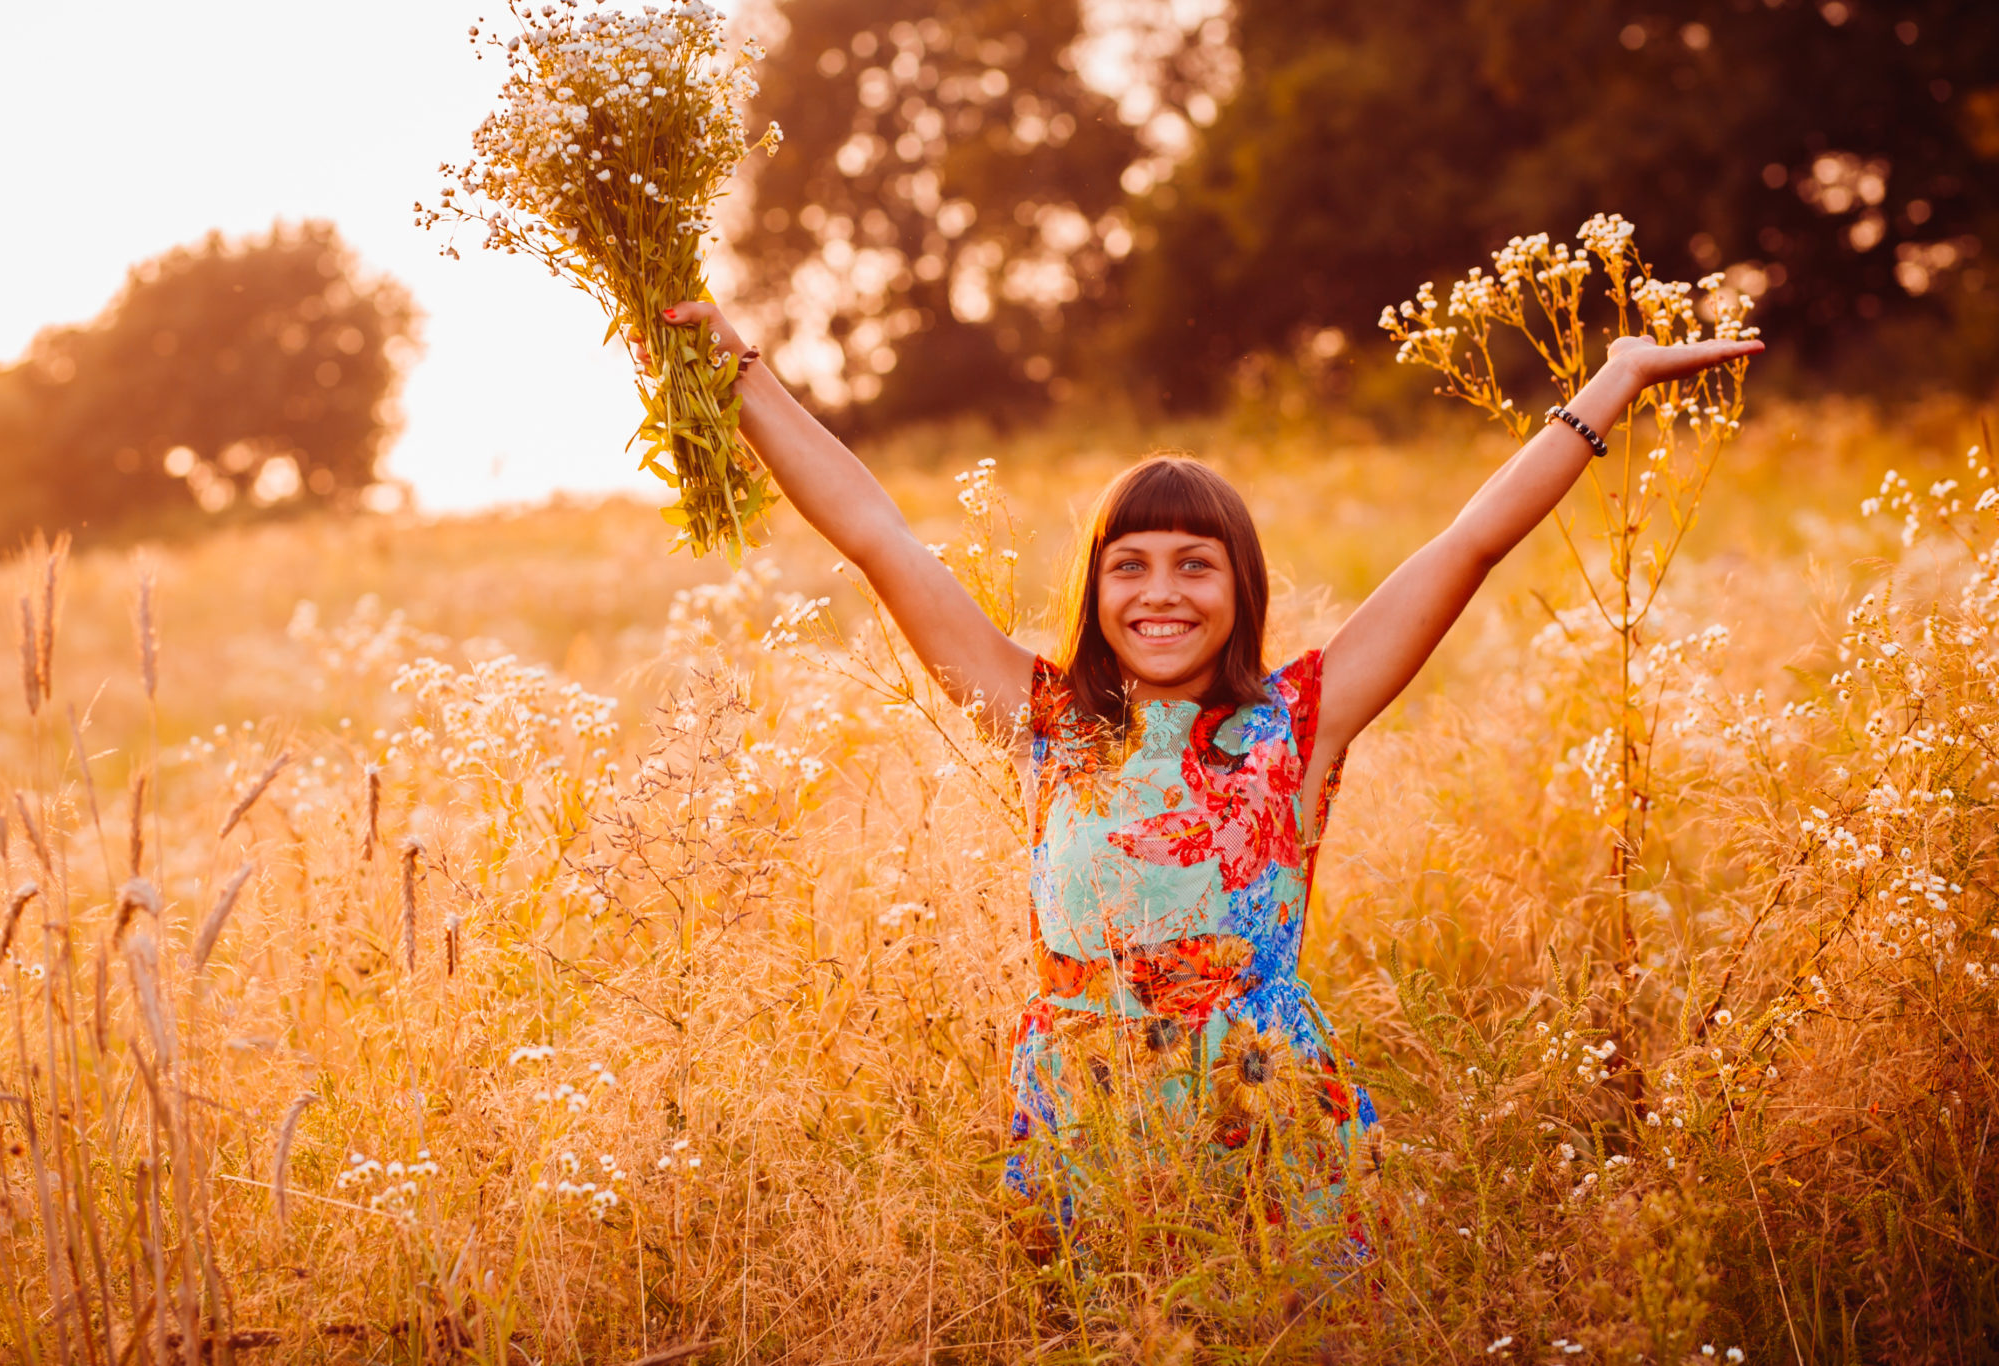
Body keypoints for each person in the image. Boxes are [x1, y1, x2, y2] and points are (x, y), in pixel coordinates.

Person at [647, 300, 1762, 1254]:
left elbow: (1467, 542)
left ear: (1241, 587)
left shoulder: (1300, 720)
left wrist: (1606, 385)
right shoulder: (1044, 719)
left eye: (1194, 562)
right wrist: (741, 374)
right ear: (1095, 589)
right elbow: (876, 534)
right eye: (1127, 564)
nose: (1159, 591)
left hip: (1272, 1118)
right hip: (1083, 1118)